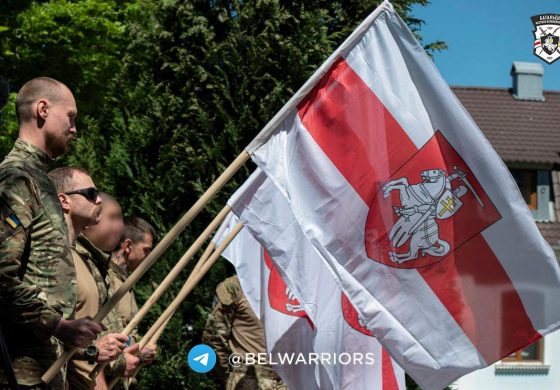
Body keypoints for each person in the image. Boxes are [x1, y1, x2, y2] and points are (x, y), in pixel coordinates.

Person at [0, 77, 104, 389]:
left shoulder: (37, 179)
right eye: (70, 118)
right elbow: (1, 275)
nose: (74, 129)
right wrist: (58, 325)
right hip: (21, 372)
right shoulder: (17, 179)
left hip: (45, 371)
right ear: (42, 109)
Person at [48, 167, 129, 390]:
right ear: (64, 201)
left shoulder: (83, 262)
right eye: (91, 194)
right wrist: (94, 351)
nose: (99, 200)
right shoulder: (48, 256)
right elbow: (43, 330)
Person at [81, 195, 144, 387]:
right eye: (113, 217)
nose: (120, 227)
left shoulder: (99, 269)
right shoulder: (72, 262)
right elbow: (83, 342)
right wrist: (117, 362)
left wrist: (137, 350)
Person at [202, 275, 287, 390]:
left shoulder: (300, 287)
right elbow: (214, 339)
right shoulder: (236, 286)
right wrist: (233, 377)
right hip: (249, 381)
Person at [108, 216, 158, 388]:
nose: (149, 257)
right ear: (128, 246)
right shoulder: (107, 281)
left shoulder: (125, 283)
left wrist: (139, 351)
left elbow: (127, 333)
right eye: (146, 250)